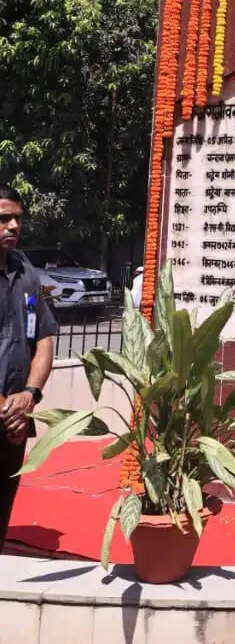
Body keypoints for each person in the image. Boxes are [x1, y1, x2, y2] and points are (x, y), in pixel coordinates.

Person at [0, 186, 58, 549]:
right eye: (4, 218)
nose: (13, 226)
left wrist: (29, 396)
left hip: (15, 419)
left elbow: (44, 338)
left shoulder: (27, 274)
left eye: (18, 218)